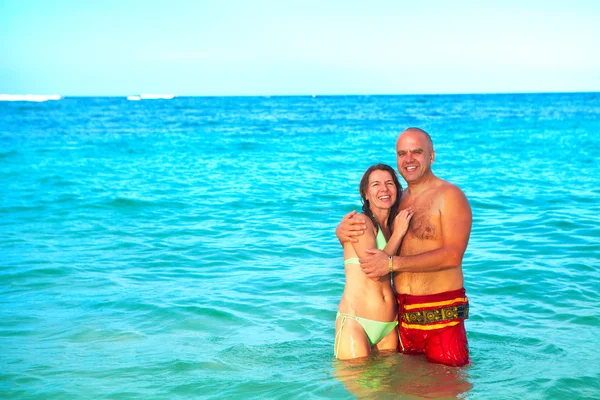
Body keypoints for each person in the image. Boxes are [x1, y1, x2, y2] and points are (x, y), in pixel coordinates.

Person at [336, 128, 472, 367]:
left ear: (431, 156)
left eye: (416, 152)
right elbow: (372, 236)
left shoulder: (449, 195)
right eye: (402, 153)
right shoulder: (398, 203)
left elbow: (453, 255)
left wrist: (392, 263)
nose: (409, 159)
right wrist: (341, 233)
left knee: (448, 386)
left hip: (441, 314)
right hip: (402, 320)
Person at [335, 164, 414, 360]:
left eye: (389, 183)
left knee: (387, 390)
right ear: (366, 193)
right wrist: (398, 233)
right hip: (357, 323)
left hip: (388, 326)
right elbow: (375, 268)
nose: (384, 189)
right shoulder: (360, 222)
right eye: (376, 184)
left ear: (397, 189)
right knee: (362, 388)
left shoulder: (392, 224)